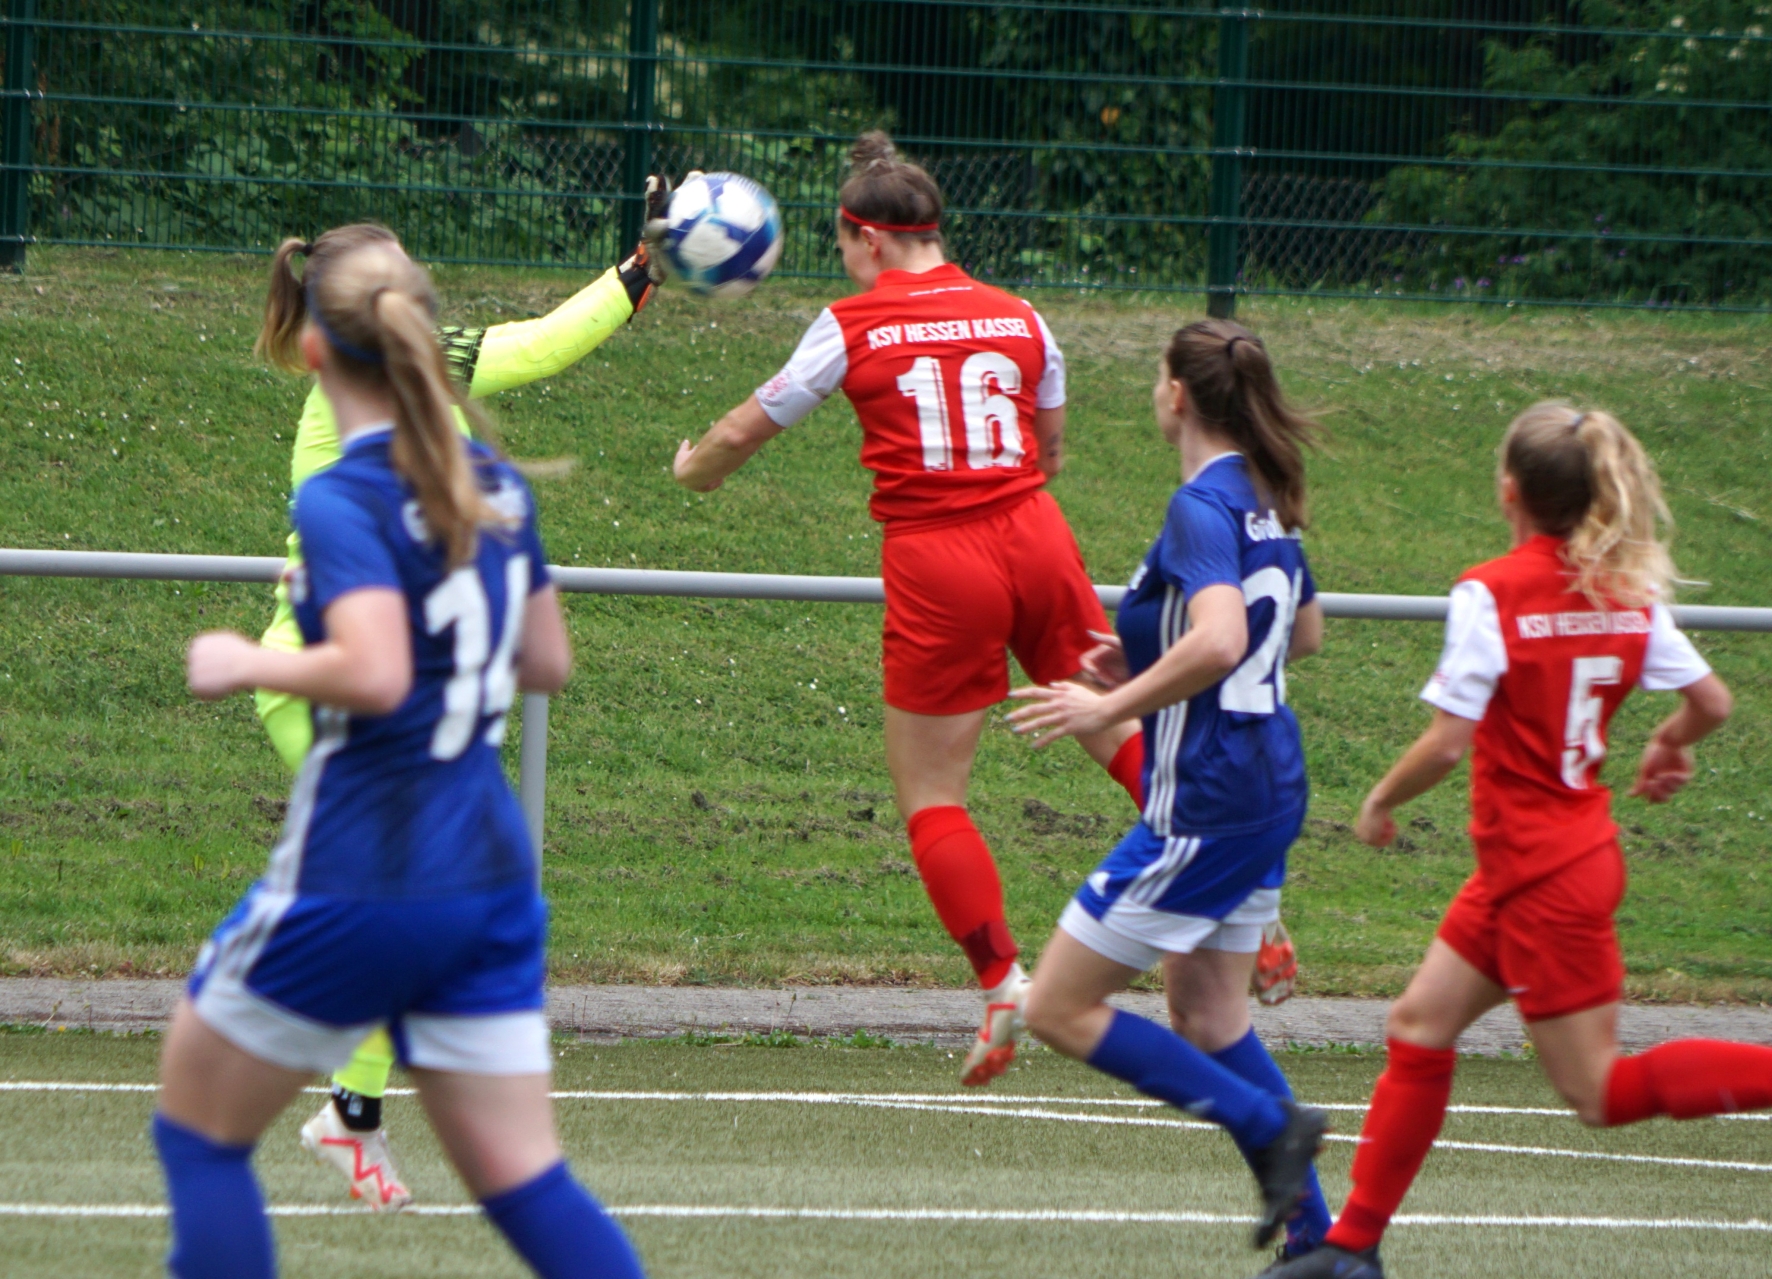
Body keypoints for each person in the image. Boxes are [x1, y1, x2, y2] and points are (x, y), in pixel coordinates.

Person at [1265, 402, 1772, 1279]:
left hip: (1546, 878)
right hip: (1541, 864)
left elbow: (1449, 741)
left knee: (1601, 1090)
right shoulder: (1625, 591)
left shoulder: (1490, 591)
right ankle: (1353, 1248)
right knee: (1419, 1024)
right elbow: (1712, 701)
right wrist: (1670, 741)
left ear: (1509, 490)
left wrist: (1380, 797)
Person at [153, 230, 644, 1279]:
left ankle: (351, 1107)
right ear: (429, 334)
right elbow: (548, 660)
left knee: (196, 1132)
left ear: (314, 348)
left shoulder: (340, 489)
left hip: (371, 858)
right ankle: (354, 1110)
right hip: (488, 872)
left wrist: (246, 659)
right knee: (529, 1183)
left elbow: (374, 672)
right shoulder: (494, 484)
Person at [672, 131, 1149, 1085]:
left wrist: (695, 470)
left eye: (843, 245)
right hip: (1035, 533)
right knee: (1124, 729)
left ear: (869, 238)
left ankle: (1003, 981)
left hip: (938, 556)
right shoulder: (1022, 315)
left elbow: (741, 429)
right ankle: (1241, 899)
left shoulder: (850, 324)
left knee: (933, 796)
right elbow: (1051, 449)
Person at [1007, 320, 1332, 1257]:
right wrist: (1147, 655)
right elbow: (1301, 632)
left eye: (1157, 378)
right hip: (1269, 781)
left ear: (1178, 395)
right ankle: (1319, 1246)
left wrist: (1108, 705)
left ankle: (1270, 1125)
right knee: (1209, 1014)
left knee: (1055, 1006)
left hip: (1211, 797)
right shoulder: (1263, 494)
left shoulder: (1201, 504)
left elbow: (1224, 638)